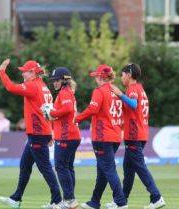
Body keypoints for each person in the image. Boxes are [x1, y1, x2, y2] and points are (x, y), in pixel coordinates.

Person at [0, 59, 63, 209]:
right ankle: (16, 198)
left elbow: (10, 87)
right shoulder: (43, 87)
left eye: (24, 71)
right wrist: (50, 132)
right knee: (25, 165)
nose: (22, 74)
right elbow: (49, 111)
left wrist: (2, 71)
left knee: (44, 166)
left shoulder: (33, 86)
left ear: (33, 73)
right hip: (41, 131)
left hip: (37, 132)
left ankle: (58, 200)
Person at [108, 63, 165, 209]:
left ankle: (156, 197)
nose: (121, 77)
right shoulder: (140, 88)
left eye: (122, 74)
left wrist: (120, 94)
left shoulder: (132, 89)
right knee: (128, 169)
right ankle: (122, 200)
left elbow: (133, 104)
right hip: (140, 133)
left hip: (134, 134)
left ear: (129, 74)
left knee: (139, 167)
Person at [76, 64, 128, 209]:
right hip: (115, 135)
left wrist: (77, 119)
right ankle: (95, 201)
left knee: (108, 169)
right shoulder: (115, 91)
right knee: (103, 170)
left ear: (101, 77)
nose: (95, 79)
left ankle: (121, 202)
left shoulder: (100, 91)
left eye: (97, 76)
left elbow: (93, 109)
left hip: (102, 136)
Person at [43, 67, 81, 209]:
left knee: (61, 167)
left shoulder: (65, 93)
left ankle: (69, 200)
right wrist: (51, 113)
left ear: (64, 80)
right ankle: (70, 199)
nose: (55, 83)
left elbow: (67, 109)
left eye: (57, 80)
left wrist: (51, 112)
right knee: (68, 167)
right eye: (53, 80)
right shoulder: (67, 92)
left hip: (66, 135)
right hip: (71, 135)